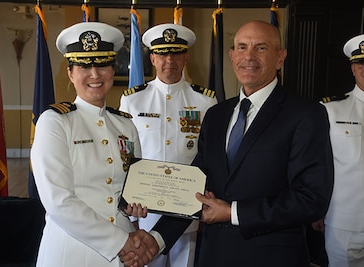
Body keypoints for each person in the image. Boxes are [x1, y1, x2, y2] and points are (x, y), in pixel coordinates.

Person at [121, 19, 335, 267]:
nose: (249, 56)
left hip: (271, 257)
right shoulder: (217, 115)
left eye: (261, 48)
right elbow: (196, 186)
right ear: (232, 55)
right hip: (214, 255)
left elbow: (312, 199)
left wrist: (233, 212)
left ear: (280, 57)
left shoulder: (305, 114)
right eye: (242, 47)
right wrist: (156, 239)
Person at [30, 22, 157, 267]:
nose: (95, 75)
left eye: (102, 65)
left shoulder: (125, 125)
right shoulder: (55, 122)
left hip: (123, 254)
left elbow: (127, 191)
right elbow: (59, 201)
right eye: (84, 66)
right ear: (70, 73)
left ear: (113, 69)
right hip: (72, 251)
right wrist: (123, 242)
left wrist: (135, 205)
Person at [119, 23, 218, 267]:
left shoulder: (205, 100)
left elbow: (212, 155)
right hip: (145, 207)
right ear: (152, 58)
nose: (169, 60)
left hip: (187, 205)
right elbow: (124, 154)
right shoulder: (133, 99)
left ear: (186, 57)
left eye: (175, 53)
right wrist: (125, 205)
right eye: (162, 54)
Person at [312, 33, 364, 267]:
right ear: (353, 68)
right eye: (361, 63)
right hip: (345, 219)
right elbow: (317, 165)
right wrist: (317, 209)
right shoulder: (331, 109)